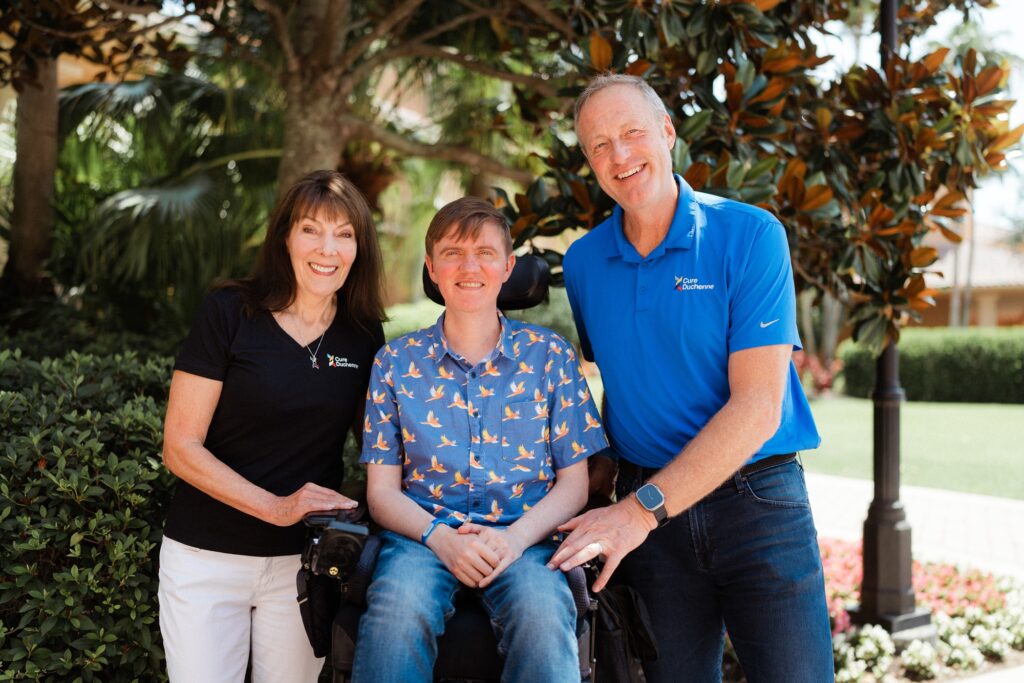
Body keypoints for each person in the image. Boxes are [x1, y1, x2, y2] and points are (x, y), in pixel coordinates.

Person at [548, 74, 834, 682]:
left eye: (631, 133)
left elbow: (758, 407)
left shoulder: (751, 236)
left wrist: (638, 511)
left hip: (757, 506)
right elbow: (621, 379)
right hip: (652, 529)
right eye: (599, 145)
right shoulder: (582, 263)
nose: (619, 155)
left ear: (668, 133)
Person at [351, 197, 608, 683]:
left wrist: (513, 540)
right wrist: (440, 539)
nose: (469, 267)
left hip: (526, 537)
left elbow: (574, 485)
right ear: (431, 267)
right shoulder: (394, 363)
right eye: (452, 253)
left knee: (542, 616)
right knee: (396, 614)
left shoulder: (550, 358)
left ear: (509, 266)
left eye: (485, 253)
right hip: (421, 537)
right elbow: (381, 493)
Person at [159, 170, 386, 682]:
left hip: (304, 567)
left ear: (359, 249)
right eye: (311, 229)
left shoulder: (363, 333)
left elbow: (378, 451)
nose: (327, 248)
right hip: (205, 558)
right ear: (285, 236)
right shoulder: (230, 311)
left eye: (344, 234)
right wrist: (276, 508)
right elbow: (180, 446)